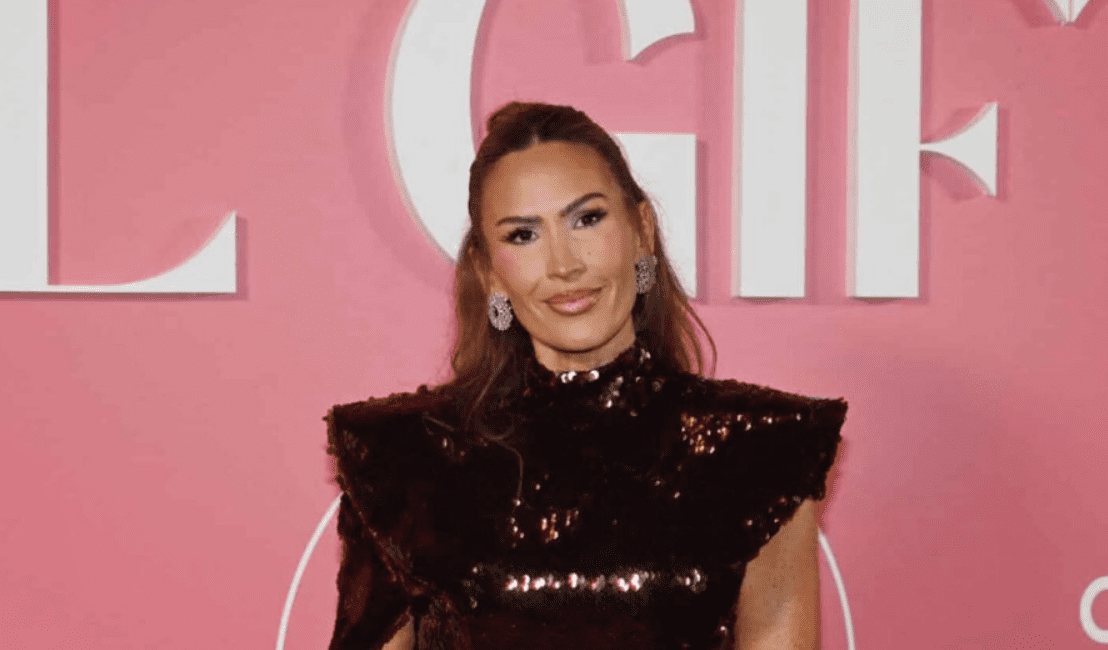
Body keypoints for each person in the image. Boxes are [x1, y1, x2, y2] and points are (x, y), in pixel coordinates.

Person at [325, 101, 847, 650]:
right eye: (523, 236)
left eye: (587, 219)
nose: (564, 265)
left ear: (641, 230)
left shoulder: (762, 451)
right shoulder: (401, 459)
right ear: (488, 272)